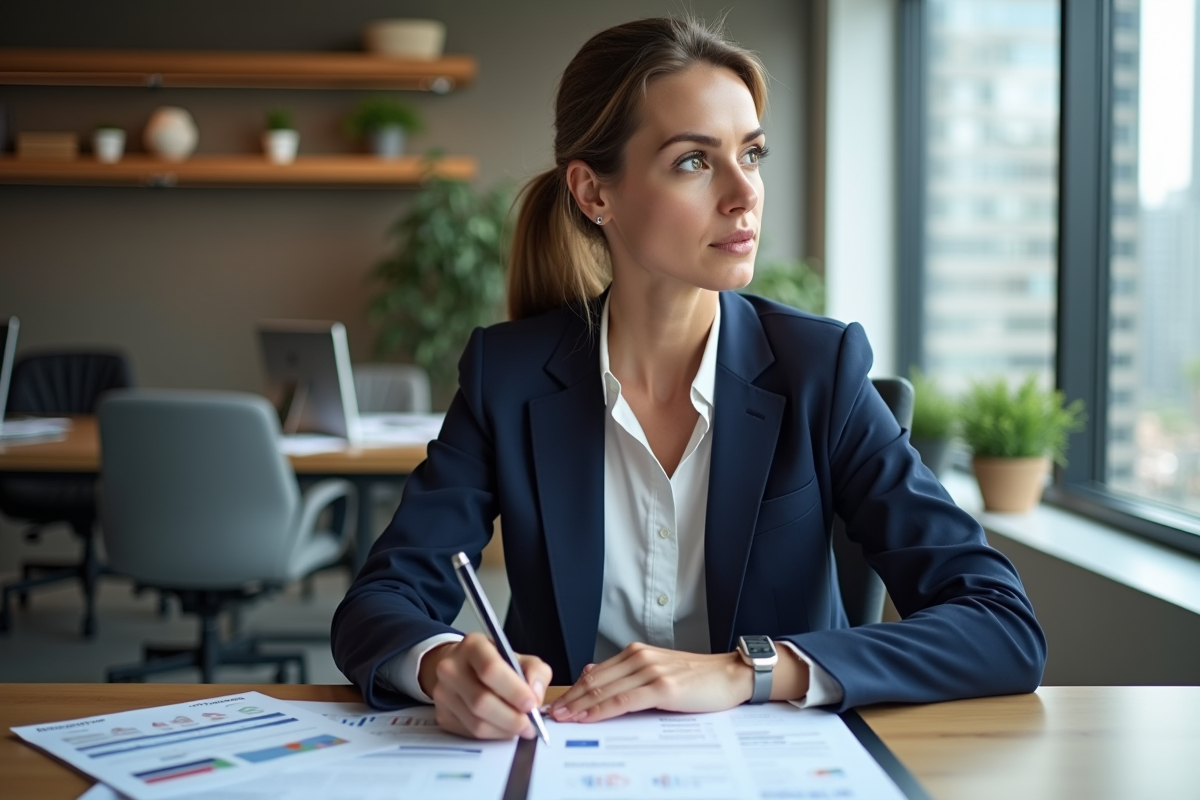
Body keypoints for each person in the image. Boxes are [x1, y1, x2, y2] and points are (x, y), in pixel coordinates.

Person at [332, 16, 1046, 741]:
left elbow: (1000, 624)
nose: (745, 194)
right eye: (694, 162)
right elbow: (379, 602)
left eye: (753, 154)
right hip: (563, 761)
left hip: (779, 773)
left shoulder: (817, 371)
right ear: (593, 193)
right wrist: (442, 663)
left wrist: (749, 671)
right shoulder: (508, 376)